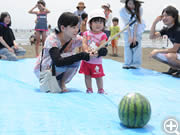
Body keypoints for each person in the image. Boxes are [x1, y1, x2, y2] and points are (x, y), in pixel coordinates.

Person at [34, 12, 106, 93]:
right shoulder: (52, 39)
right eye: (73, 27)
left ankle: (62, 82)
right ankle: (53, 81)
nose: (77, 30)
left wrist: (101, 51)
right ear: (63, 28)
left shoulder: (76, 38)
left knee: (73, 58)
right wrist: (81, 55)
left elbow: (92, 44)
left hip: (57, 68)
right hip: (45, 70)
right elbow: (58, 61)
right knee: (72, 56)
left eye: (77, 27)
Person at [79, 9, 108, 94]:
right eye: (95, 22)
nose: (98, 24)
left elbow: (102, 46)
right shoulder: (86, 34)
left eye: (101, 22)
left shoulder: (103, 35)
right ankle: (89, 89)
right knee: (87, 76)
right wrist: (87, 51)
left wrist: (97, 52)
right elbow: (84, 43)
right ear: (90, 23)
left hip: (96, 61)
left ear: (103, 24)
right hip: (87, 60)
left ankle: (100, 89)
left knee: (98, 76)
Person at [150, 5, 180, 77]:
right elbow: (152, 36)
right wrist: (154, 23)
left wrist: (158, 50)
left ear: (174, 17)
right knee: (154, 54)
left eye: (167, 16)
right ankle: (174, 68)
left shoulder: (178, 30)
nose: (164, 18)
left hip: (177, 53)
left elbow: (174, 49)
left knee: (170, 56)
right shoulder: (166, 29)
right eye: (163, 16)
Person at [120, 0, 146, 69]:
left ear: (136, 3)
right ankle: (127, 63)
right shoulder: (122, 11)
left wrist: (134, 37)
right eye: (129, 3)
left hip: (137, 29)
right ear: (126, 3)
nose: (131, 6)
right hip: (127, 29)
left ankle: (136, 64)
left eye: (133, 4)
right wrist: (130, 36)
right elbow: (127, 24)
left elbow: (136, 23)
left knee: (136, 46)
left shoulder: (140, 9)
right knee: (127, 46)